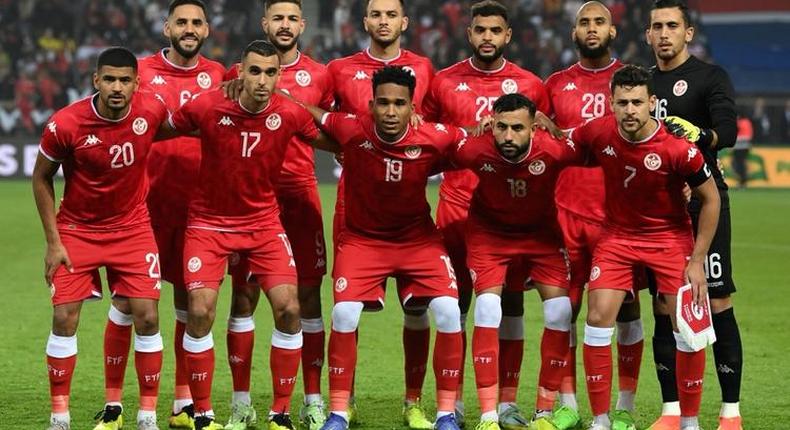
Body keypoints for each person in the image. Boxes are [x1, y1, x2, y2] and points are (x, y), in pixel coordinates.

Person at [159, 40, 337, 430]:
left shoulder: (289, 112)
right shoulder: (207, 106)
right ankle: (203, 413)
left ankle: (279, 413)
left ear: (279, 76)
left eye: (270, 73)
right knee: (201, 311)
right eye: (254, 71)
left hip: (263, 225)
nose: (262, 80)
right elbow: (157, 130)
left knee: (290, 308)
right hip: (208, 224)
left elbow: (334, 141)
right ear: (239, 71)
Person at [310, 66, 465, 430]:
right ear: (371, 105)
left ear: (413, 107)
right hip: (363, 241)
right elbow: (309, 113)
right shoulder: (352, 128)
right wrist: (268, 93)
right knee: (344, 313)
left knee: (446, 310)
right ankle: (338, 411)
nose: (391, 112)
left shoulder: (433, 136)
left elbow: (473, 137)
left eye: (399, 104)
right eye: (383, 103)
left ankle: (443, 414)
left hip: (418, 241)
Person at [421, 1, 551, 428]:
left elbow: (546, 146)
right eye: (480, 30)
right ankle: (452, 401)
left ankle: (507, 403)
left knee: (510, 304)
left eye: (496, 30)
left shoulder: (531, 85)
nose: (488, 37)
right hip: (457, 208)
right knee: (453, 306)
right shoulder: (443, 83)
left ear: (508, 35)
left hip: (511, 216)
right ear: (469, 33)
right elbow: (428, 139)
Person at [570, 64, 720, 430]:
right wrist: (541, 120)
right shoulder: (598, 132)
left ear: (652, 102)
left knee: (685, 327)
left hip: (669, 239)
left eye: (637, 102)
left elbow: (711, 199)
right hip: (617, 237)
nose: (630, 110)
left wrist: (697, 260)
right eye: (622, 102)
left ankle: (689, 421)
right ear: (611, 103)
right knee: (597, 317)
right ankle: (602, 420)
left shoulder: (677, 149)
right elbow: (562, 141)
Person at [33, 47, 169, 430]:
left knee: (147, 317)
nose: (116, 87)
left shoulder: (151, 110)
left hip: (133, 229)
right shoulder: (66, 123)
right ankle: (59, 417)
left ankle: (146, 416)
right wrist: (53, 241)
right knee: (64, 318)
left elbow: (190, 124)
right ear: (96, 80)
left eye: (125, 80)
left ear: (136, 83)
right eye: (109, 79)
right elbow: (41, 177)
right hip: (77, 231)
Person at [222, 2, 334, 428]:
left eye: (292, 19)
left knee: (306, 298)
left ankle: (311, 399)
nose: (284, 26)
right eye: (277, 18)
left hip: (300, 195)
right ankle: (241, 402)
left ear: (302, 25)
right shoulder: (237, 74)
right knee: (244, 296)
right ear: (264, 23)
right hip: (249, 200)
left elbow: (336, 127)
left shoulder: (322, 75)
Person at [326, 1, 436, 427]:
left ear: (403, 22)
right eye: (377, 13)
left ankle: (413, 402)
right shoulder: (339, 69)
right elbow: (319, 123)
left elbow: (435, 122)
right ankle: (343, 399)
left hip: (409, 210)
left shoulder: (425, 68)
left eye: (392, 14)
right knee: (346, 307)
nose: (384, 20)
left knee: (419, 307)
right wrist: (350, 149)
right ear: (366, 21)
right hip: (355, 206)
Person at [448, 93, 580, 430]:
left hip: (540, 236)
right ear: (492, 124)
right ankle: (490, 416)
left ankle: (544, 412)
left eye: (518, 128)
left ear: (534, 128)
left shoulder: (554, 150)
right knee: (488, 307)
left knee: (561, 310)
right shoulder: (474, 148)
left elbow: (604, 150)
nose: (508, 136)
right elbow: (434, 148)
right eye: (501, 127)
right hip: (489, 235)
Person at [543, 2, 643, 428]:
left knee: (626, 312)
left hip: (618, 217)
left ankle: (624, 407)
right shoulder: (555, 84)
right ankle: (567, 404)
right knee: (564, 312)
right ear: (573, 31)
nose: (591, 28)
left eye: (599, 21)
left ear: (613, 30)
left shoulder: (631, 82)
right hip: (565, 212)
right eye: (584, 22)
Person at [131, 1, 227, 427]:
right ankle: (124, 404)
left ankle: (182, 403)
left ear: (206, 29)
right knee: (129, 303)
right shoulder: (139, 71)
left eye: (196, 23)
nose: (188, 29)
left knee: (191, 303)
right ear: (166, 26)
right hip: (145, 205)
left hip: (199, 207)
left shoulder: (221, 75)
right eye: (181, 22)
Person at [646, 2, 741, 429]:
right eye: (656, 27)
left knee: (716, 301)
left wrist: (701, 135)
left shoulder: (710, 77)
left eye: (672, 26)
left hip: (704, 203)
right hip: (656, 211)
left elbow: (728, 132)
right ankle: (670, 412)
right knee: (664, 307)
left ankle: (730, 413)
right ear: (648, 34)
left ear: (688, 32)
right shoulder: (642, 83)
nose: (664, 33)